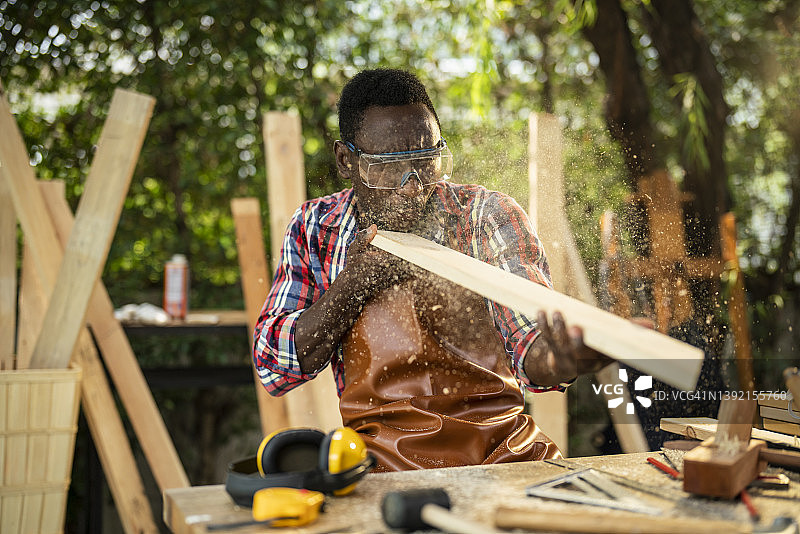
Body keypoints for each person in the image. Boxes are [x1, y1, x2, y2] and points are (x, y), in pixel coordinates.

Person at [254, 68, 612, 471]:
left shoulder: (484, 216)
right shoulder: (316, 228)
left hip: (502, 460)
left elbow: (529, 340)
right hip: (382, 470)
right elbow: (273, 366)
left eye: (425, 162)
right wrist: (353, 285)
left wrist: (558, 360)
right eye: (388, 167)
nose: (412, 186)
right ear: (345, 160)